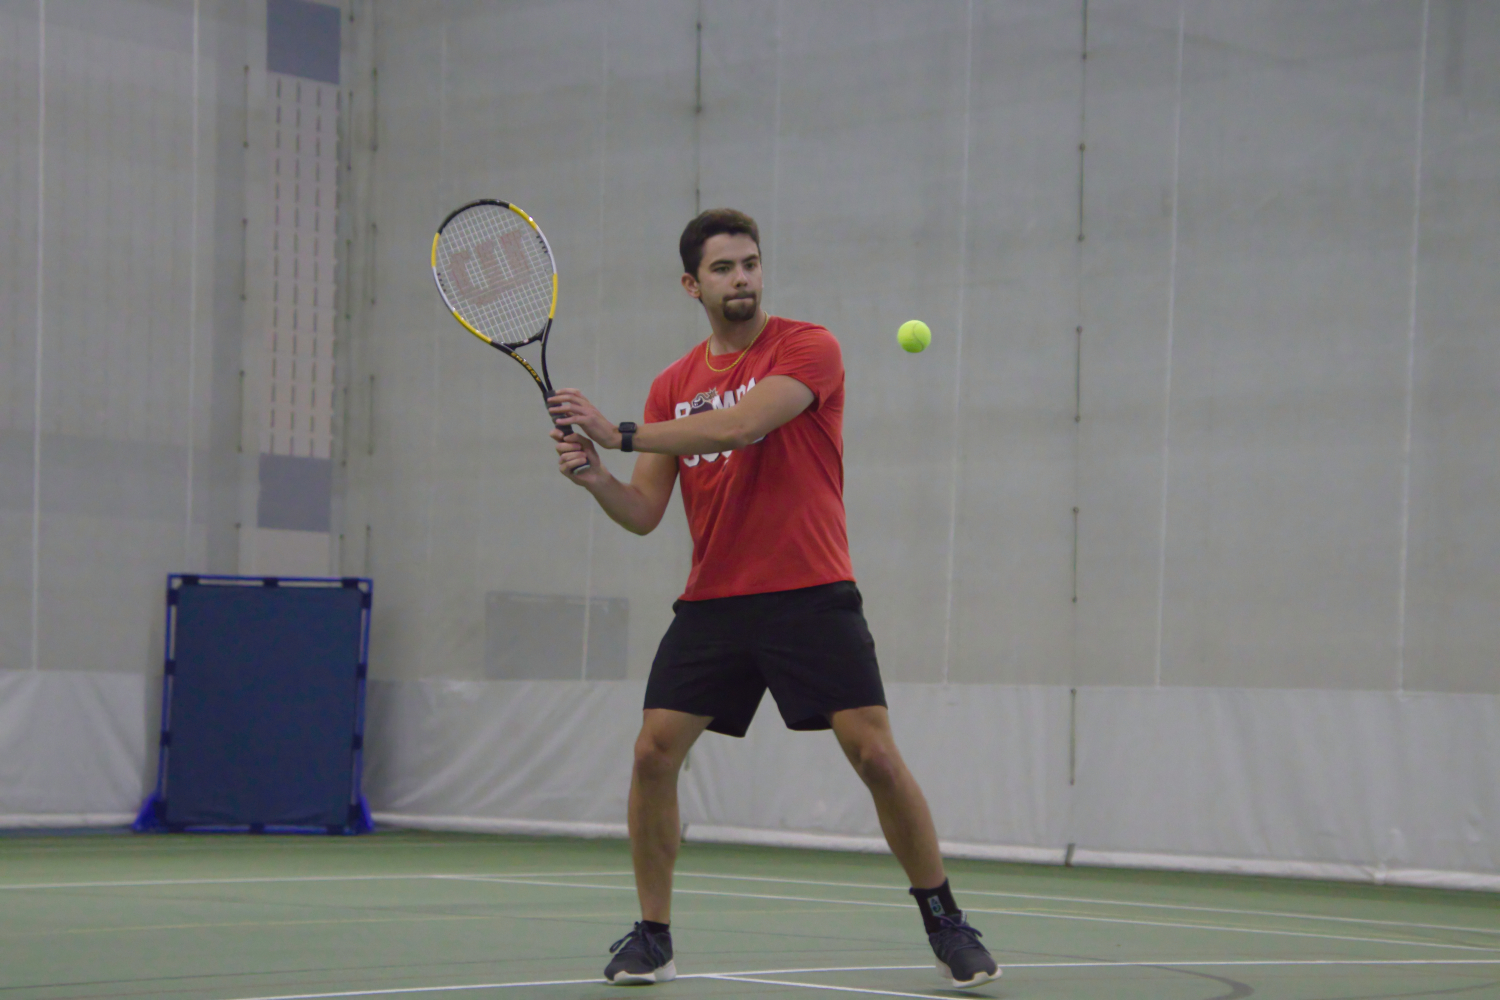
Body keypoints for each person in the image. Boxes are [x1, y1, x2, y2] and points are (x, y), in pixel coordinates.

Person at [545, 208, 1000, 990]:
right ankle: (653, 935)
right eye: (724, 269)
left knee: (877, 757)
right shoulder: (671, 386)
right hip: (715, 602)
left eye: (751, 263)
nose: (743, 278)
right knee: (653, 753)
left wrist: (618, 433)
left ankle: (947, 921)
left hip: (810, 592)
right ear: (693, 285)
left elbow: (751, 423)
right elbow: (646, 515)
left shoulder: (807, 348)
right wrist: (595, 478)